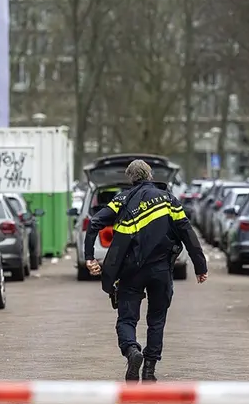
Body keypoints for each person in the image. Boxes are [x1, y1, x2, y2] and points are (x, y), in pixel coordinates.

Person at [84, 159, 208, 383]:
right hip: (161, 270)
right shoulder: (169, 200)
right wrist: (200, 266)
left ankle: (132, 351)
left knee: (126, 319)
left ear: (130, 179)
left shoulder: (121, 199)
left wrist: (89, 257)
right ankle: (149, 371)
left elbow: (94, 223)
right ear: (150, 175)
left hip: (130, 270)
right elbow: (186, 231)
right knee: (157, 319)